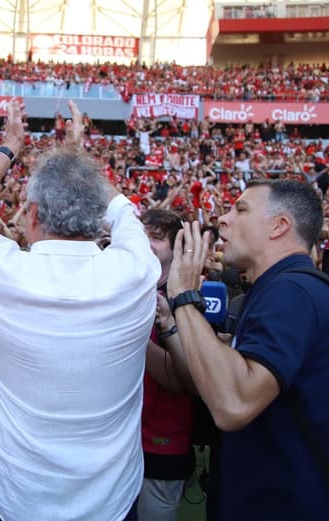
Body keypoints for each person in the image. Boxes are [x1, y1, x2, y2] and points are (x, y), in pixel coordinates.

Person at [0, 99, 160, 520]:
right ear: (98, 220)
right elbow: (123, 212)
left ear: (33, 216)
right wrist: (79, 158)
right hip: (111, 501)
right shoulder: (135, 271)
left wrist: (9, 147)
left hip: (12, 495)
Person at [167, 179, 329, 519]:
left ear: (279, 226)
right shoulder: (277, 288)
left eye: (240, 209)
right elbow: (230, 368)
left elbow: (234, 403)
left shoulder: (292, 292)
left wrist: (183, 296)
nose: (223, 219)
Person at [137, 208, 196, 521]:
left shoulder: (189, 298)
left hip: (161, 445)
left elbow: (180, 380)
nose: (146, 243)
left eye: (156, 238)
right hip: (119, 442)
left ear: (176, 247)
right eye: (142, 234)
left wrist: (126, 329)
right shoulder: (127, 287)